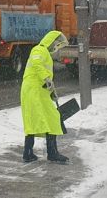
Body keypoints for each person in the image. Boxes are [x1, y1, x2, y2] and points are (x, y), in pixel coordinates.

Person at [20, 30, 69, 163]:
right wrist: (47, 79)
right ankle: (51, 153)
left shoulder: (45, 52)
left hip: (38, 91)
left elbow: (42, 72)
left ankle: (28, 153)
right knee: (49, 118)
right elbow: (37, 64)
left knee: (38, 119)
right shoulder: (39, 50)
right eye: (56, 45)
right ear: (51, 42)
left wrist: (51, 91)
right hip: (33, 91)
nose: (56, 48)